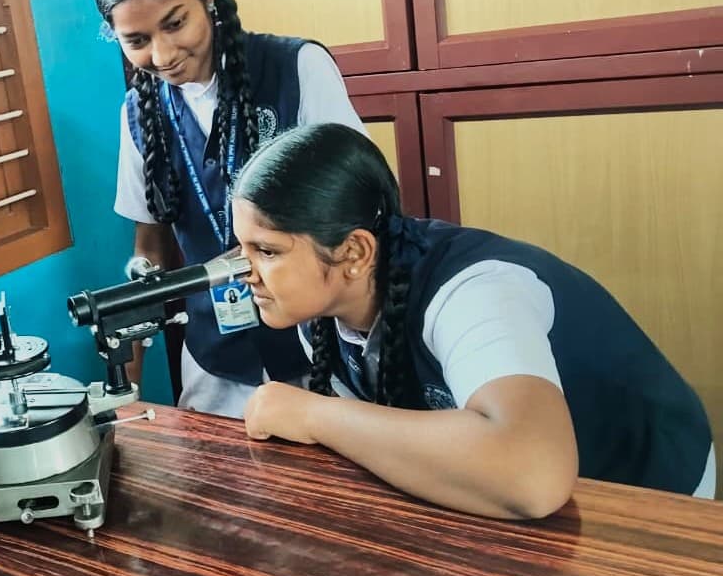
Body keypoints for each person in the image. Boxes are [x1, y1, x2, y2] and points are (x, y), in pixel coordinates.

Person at [233, 122, 716, 518]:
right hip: (522, 498)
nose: (244, 271)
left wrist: (314, 415)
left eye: (267, 251)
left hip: (643, 488)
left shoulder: (474, 291)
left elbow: (533, 476)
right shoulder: (319, 309)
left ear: (355, 252)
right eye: (243, 248)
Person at [89, 0, 365, 418]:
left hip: (321, 345)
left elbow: (362, 209)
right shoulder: (138, 114)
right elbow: (150, 246)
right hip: (215, 360)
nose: (163, 54)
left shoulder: (296, 69)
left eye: (175, 23)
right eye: (137, 40)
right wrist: (127, 386)